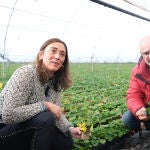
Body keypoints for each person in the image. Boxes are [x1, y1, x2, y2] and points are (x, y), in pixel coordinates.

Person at [0, 38, 82, 150]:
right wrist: (45, 105)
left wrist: (69, 128)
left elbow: (56, 113)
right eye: (53, 51)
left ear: (63, 62)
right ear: (41, 55)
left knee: (65, 141)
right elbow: (8, 114)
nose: (58, 56)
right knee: (46, 117)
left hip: (25, 128)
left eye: (62, 54)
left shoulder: (55, 82)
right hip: (3, 129)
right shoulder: (26, 73)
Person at [122, 35, 150, 132]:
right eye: (146, 53)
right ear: (141, 54)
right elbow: (133, 95)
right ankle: (146, 126)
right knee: (128, 118)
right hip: (148, 111)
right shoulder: (137, 72)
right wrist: (139, 109)